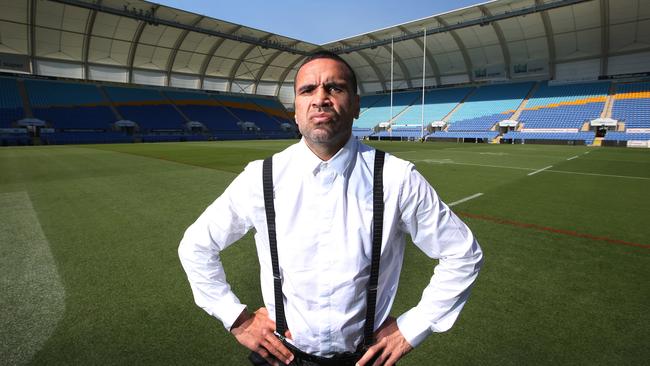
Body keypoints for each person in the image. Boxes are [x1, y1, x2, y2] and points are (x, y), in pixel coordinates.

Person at [178, 51, 483, 366]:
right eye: (307, 90)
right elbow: (196, 247)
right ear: (295, 110)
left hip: (364, 358)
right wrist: (237, 319)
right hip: (281, 356)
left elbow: (463, 254)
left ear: (355, 105)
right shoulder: (261, 177)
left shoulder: (396, 177)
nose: (320, 98)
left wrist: (412, 327)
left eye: (334, 88)